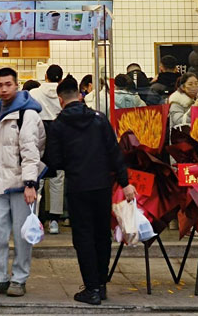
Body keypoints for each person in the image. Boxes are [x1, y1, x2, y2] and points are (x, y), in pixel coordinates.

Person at [45, 75, 135, 306]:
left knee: (83, 237)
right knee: (102, 235)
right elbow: (114, 152)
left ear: (60, 99)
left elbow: (54, 160)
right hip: (102, 185)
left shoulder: (58, 125)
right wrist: (125, 182)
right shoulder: (99, 119)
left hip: (78, 187)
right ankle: (101, 285)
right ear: (79, 95)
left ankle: (91, 288)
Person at [0, 67, 45, 298]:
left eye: (8, 84)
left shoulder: (27, 114)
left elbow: (31, 151)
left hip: (21, 184)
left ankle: (19, 279)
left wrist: (30, 183)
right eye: (0, 85)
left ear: (17, 85)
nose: (4, 89)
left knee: (22, 235)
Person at [29, 64, 65, 234]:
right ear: (61, 78)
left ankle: (34, 217)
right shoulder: (62, 93)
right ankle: (54, 221)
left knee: (39, 176)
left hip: (39, 134)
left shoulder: (34, 93)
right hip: (59, 134)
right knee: (57, 177)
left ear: (45, 76)